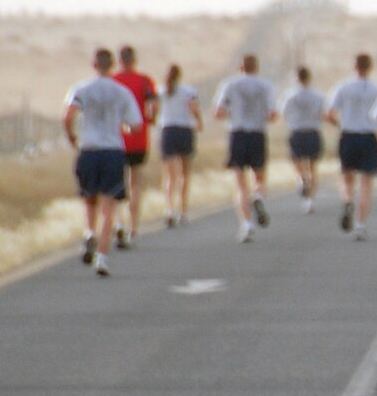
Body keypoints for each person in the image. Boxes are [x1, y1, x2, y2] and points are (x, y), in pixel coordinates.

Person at [63, 47, 143, 276]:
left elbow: (68, 116)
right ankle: (102, 257)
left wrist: (72, 136)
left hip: (88, 148)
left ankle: (90, 232)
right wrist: (123, 127)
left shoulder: (81, 89)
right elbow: (136, 125)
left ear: (94, 64)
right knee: (109, 207)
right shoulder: (122, 92)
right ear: (112, 65)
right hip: (112, 150)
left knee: (89, 199)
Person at [212, 53, 278, 243]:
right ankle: (258, 196)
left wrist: (233, 112)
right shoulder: (265, 85)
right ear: (256, 67)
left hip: (237, 133)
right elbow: (273, 114)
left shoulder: (229, 84)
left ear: (240, 67)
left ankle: (246, 224)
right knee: (260, 177)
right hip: (257, 133)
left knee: (240, 184)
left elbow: (218, 112)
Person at [325, 53, 377, 239]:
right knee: (366, 183)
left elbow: (329, 113)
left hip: (348, 134)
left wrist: (341, 123)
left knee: (347, 177)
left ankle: (348, 200)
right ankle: (360, 225)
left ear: (354, 67)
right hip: (368, 136)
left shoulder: (343, 87)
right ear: (370, 67)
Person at [111, 44, 159, 248]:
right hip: (139, 138)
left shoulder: (113, 81)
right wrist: (151, 118)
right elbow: (154, 103)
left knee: (115, 184)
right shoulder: (144, 81)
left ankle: (118, 222)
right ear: (134, 60)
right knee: (135, 183)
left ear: (119, 60)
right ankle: (133, 227)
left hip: (116, 139)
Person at [156, 63, 203, 228]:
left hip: (167, 130)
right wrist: (199, 122)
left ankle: (169, 209)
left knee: (170, 175)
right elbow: (194, 108)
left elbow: (154, 108)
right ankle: (183, 211)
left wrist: (154, 119)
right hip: (184, 130)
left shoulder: (160, 91)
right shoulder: (189, 91)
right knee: (185, 173)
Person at [279, 65, 327, 213]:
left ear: (297, 78)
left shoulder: (290, 95)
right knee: (312, 167)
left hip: (297, 132)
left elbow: (283, 112)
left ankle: (301, 180)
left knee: (297, 163)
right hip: (313, 131)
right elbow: (324, 113)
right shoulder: (318, 95)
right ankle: (310, 201)